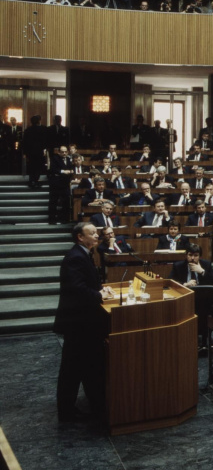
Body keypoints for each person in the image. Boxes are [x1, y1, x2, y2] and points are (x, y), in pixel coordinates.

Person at [54, 223, 116, 422]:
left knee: (85, 365)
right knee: (73, 368)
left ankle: (94, 403)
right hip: (78, 322)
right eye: (93, 233)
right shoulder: (75, 258)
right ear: (80, 237)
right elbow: (77, 290)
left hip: (84, 322)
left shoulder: (84, 254)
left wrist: (100, 289)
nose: (97, 235)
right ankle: (67, 410)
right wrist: (98, 293)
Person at [22, 114, 49, 188]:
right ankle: (36, 181)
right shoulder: (43, 129)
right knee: (38, 167)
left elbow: (24, 142)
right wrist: (45, 149)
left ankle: (31, 181)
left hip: (30, 152)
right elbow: (45, 141)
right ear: (39, 121)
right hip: (39, 152)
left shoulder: (27, 130)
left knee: (31, 167)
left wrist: (25, 153)